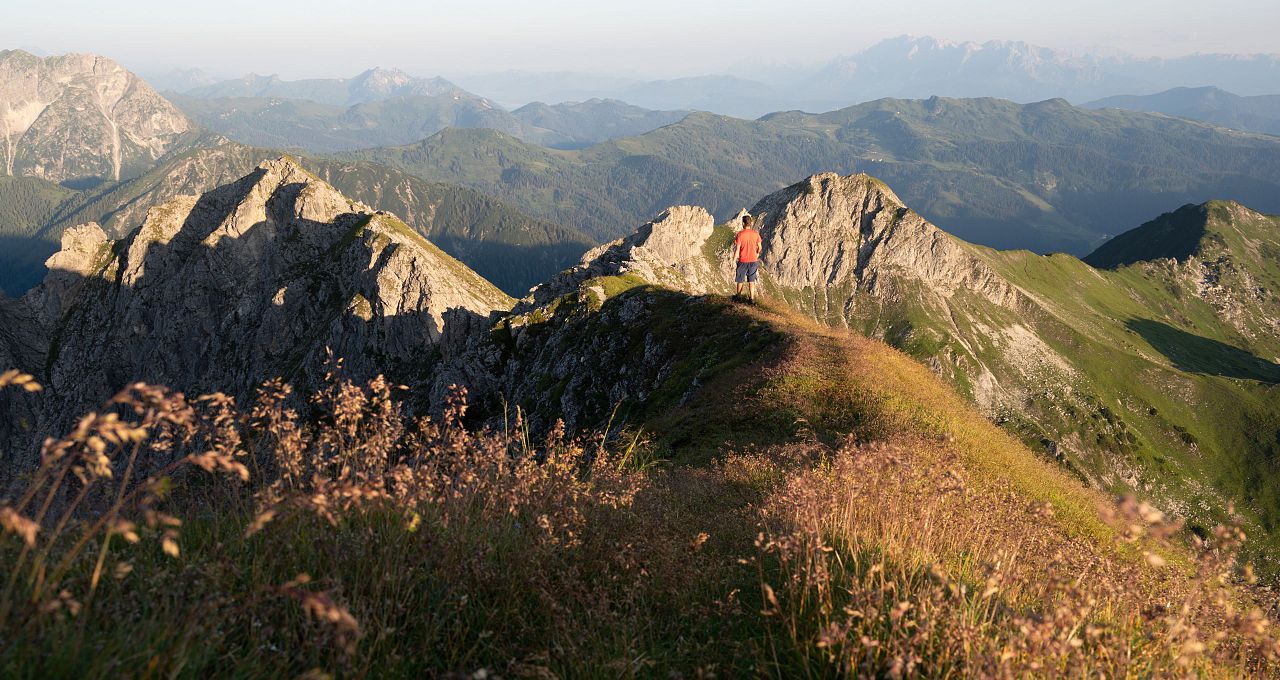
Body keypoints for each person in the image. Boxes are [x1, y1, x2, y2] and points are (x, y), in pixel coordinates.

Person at [733, 213, 763, 303]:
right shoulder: (756, 234)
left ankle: (738, 298)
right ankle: (752, 299)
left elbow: (737, 249)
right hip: (754, 260)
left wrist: (734, 260)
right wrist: (757, 254)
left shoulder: (740, 235)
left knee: (740, 280)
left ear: (743, 223)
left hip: (743, 261)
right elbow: (760, 247)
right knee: (751, 280)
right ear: (751, 223)